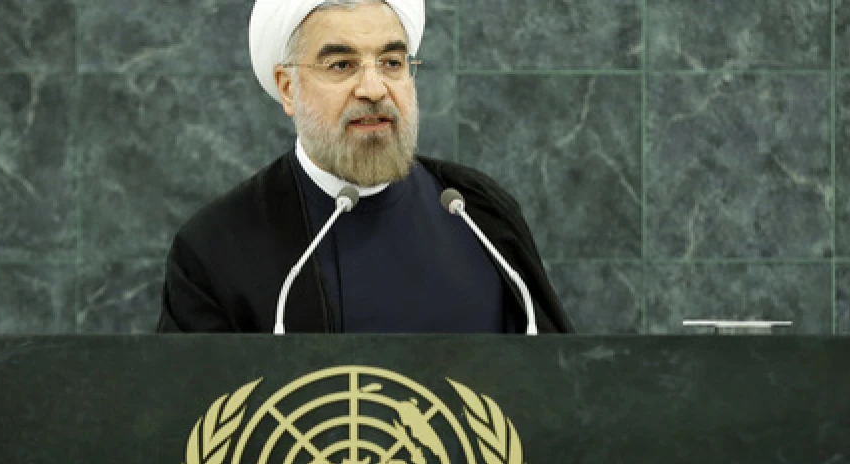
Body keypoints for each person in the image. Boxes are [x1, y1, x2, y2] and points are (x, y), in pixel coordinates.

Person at [157, 0, 572, 334]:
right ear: (288, 88)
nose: (374, 89)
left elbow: (555, 392)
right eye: (342, 65)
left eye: (391, 62)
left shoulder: (477, 212)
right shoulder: (216, 246)